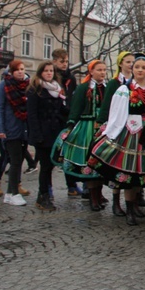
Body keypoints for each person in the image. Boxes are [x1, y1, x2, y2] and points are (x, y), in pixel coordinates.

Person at [90, 54, 145, 227]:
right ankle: (130, 211)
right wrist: (110, 132)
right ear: (132, 69)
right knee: (129, 173)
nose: (140, 70)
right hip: (131, 133)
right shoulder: (124, 90)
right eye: (137, 67)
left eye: (143, 68)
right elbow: (115, 113)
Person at [55, 60, 109, 211]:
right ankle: (93, 197)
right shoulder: (84, 88)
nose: (102, 73)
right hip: (87, 128)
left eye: (104, 70)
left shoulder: (107, 88)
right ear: (91, 71)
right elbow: (76, 108)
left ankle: (99, 195)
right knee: (89, 163)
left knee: (100, 164)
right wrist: (71, 126)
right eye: (99, 70)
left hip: (103, 128)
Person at [26, 61, 68, 211]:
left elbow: (62, 111)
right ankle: (43, 195)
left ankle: (46, 193)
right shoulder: (35, 90)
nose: (49, 73)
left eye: (51, 71)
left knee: (51, 166)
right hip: (42, 133)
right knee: (45, 167)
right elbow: (32, 115)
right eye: (46, 71)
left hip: (55, 132)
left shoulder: (57, 89)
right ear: (40, 73)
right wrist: (36, 135)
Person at [98, 51, 136, 217]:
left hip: (132, 127)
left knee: (130, 166)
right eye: (128, 62)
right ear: (121, 64)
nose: (131, 65)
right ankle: (115, 201)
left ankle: (132, 202)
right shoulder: (115, 83)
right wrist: (103, 124)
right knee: (117, 165)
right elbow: (107, 104)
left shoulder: (136, 82)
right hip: (117, 127)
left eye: (133, 62)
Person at [0, 60, 32, 206]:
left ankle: (9, 193)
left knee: (19, 160)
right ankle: (14, 193)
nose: (20, 72)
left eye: (22, 69)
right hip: (10, 128)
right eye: (17, 69)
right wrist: (0, 129)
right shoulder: (4, 85)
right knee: (15, 161)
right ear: (11, 71)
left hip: (24, 127)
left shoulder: (28, 86)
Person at [52, 49, 84, 198]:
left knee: (67, 154)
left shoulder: (71, 78)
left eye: (66, 61)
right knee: (51, 156)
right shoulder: (51, 76)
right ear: (54, 61)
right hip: (54, 118)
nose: (64, 64)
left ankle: (71, 185)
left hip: (68, 118)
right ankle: (47, 187)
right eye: (61, 61)